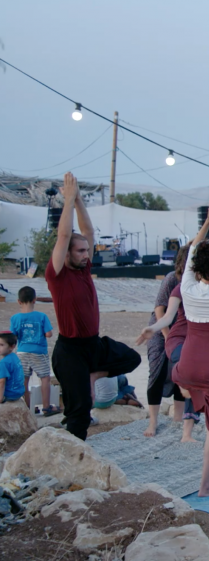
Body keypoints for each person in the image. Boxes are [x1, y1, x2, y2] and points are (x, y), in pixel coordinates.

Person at [153, 199, 209, 497]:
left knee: (183, 373)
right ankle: (204, 486)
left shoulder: (187, 288)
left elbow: (193, 249)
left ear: (194, 268)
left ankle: (186, 387)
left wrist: (207, 224)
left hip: (188, 366)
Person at [47, 172, 141, 440]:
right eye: (80, 251)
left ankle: (93, 376)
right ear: (66, 253)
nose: (86, 255)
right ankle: (75, 452)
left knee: (132, 358)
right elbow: (64, 235)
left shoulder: (84, 269)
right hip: (70, 351)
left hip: (93, 346)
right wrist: (67, 201)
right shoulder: (57, 275)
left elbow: (87, 232)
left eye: (87, 251)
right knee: (80, 412)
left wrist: (78, 200)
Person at [143, 244, 190, 437]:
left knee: (181, 373)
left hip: (182, 334)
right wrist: (167, 336)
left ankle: (178, 418)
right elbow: (160, 310)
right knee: (157, 373)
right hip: (160, 332)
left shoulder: (196, 281)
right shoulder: (172, 278)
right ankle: (153, 422)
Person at [11, 287, 57, 415]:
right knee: (45, 378)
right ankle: (46, 407)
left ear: (19, 301)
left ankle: (28, 407)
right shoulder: (41, 316)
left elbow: (13, 336)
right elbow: (48, 334)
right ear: (34, 300)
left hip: (22, 352)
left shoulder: (15, 318)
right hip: (39, 352)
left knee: (24, 380)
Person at [0, 332, 26, 406]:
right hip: (18, 392)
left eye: (1, 345)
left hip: (9, 395)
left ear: (12, 347)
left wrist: (0, 398)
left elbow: (2, 382)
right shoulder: (14, 356)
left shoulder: (3, 362)